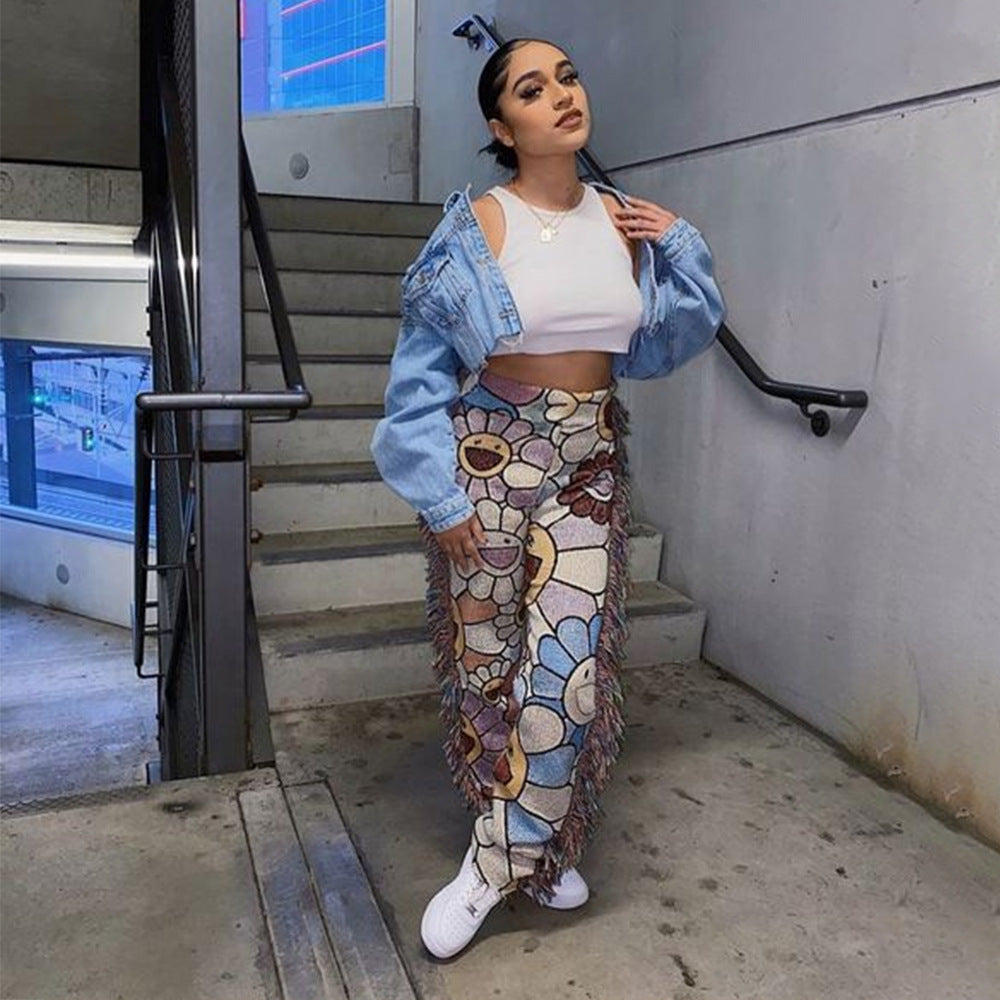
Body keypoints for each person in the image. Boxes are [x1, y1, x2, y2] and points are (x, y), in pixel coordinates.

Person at [370, 36, 726, 959]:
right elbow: (417, 379)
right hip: (487, 458)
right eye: (533, 89)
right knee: (486, 666)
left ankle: (499, 861)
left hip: (587, 459)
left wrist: (681, 246)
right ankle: (535, 850)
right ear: (502, 126)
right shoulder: (478, 227)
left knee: (567, 674)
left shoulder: (623, 220)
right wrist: (440, 497)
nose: (561, 95)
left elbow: (670, 338)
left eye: (567, 77)